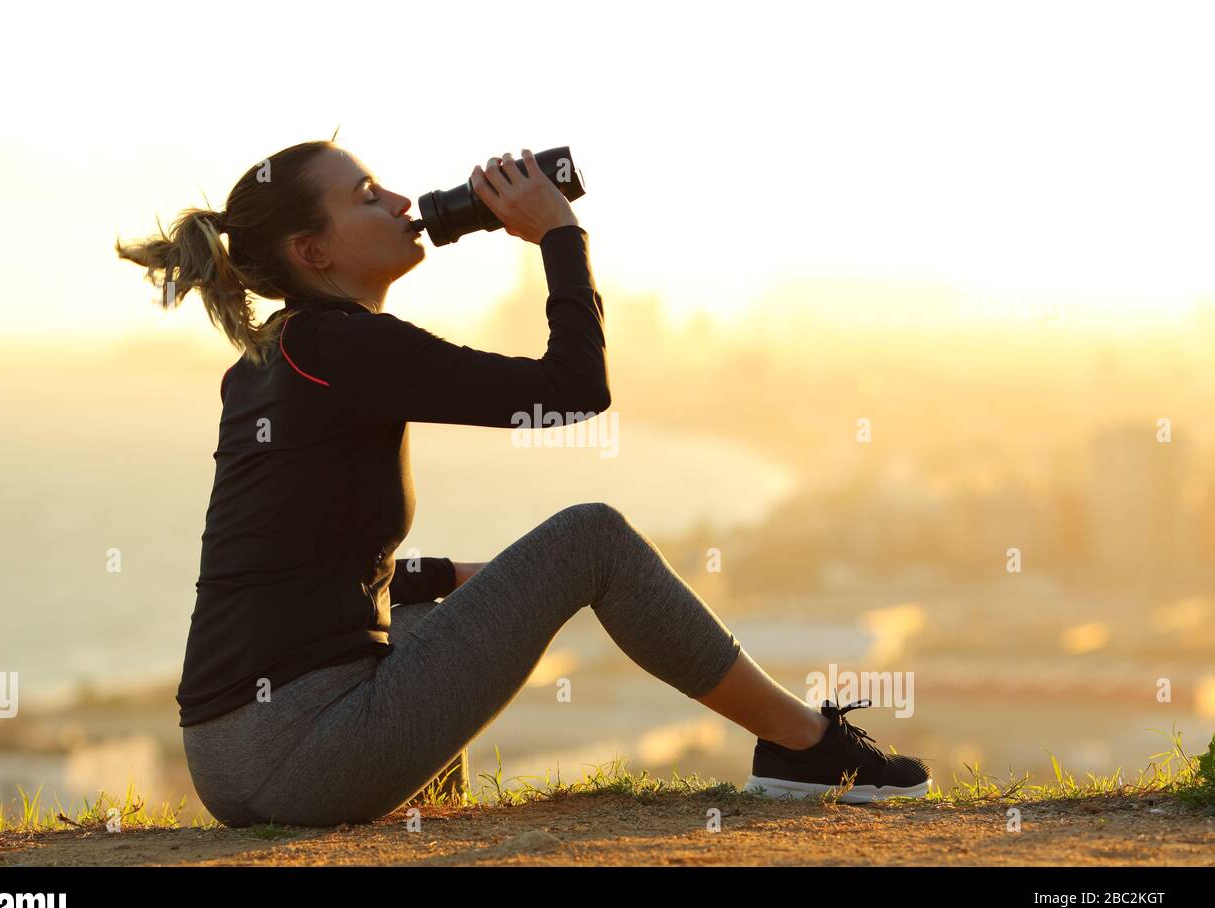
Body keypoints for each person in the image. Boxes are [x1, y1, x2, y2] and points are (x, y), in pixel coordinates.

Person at [115, 140, 932, 827]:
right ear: (313, 252)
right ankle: (805, 749)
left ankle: (421, 819)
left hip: (231, 756)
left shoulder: (273, 358)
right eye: (368, 196)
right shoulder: (343, 347)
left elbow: (292, 564)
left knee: (436, 598)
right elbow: (574, 390)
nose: (403, 201)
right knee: (592, 538)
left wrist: (464, 583)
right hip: (298, 756)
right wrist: (560, 235)